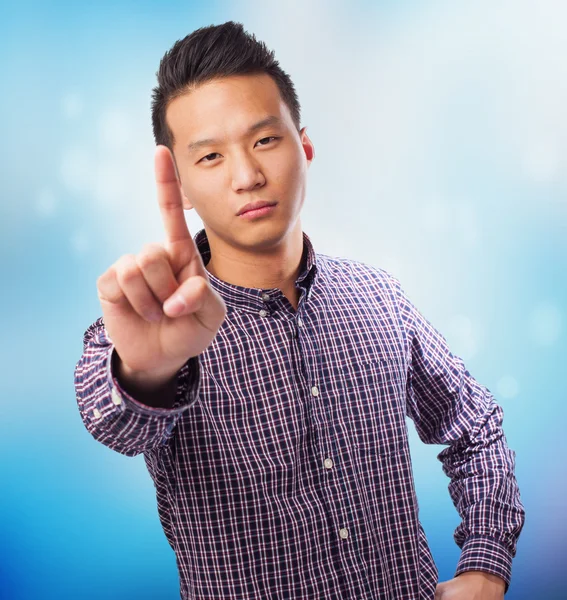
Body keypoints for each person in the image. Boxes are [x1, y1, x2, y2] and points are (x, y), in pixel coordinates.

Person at [74, 21, 525, 600]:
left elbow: (476, 427)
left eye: (264, 140)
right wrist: (147, 372)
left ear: (304, 147)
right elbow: (114, 420)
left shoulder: (378, 298)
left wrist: (485, 570)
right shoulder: (155, 322)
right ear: (180, 184)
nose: (247, 176)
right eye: (209, 156)